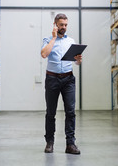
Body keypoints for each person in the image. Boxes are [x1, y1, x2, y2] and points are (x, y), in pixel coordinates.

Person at [40, 13, 82, 155]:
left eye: (65, 25)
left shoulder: (71, 41)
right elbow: (44, 54)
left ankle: (70, 144)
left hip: (68, 79)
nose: (64, 27)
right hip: (52, 79)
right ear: (55, 25)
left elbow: (76, 62)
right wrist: (53, 37)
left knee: (70, 112)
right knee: (51, 112)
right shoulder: (47, 39)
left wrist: (78, 60)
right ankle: (49, 143)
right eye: (61, 25)